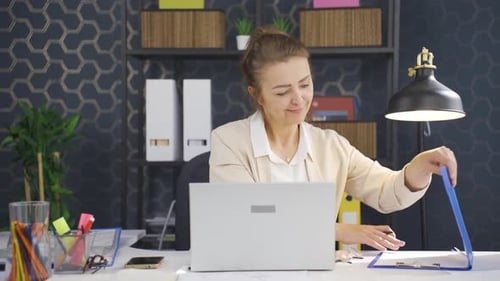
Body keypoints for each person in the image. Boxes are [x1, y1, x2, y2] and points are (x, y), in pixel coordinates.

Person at [209, 26, 458, 251]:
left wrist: (419, 168)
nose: (298, 99)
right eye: (283, 91)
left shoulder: (330, 145)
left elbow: (384, 192)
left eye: (305, 85)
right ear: (257, 95)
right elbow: (248, 220)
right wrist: (338, 230)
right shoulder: (229, 141)